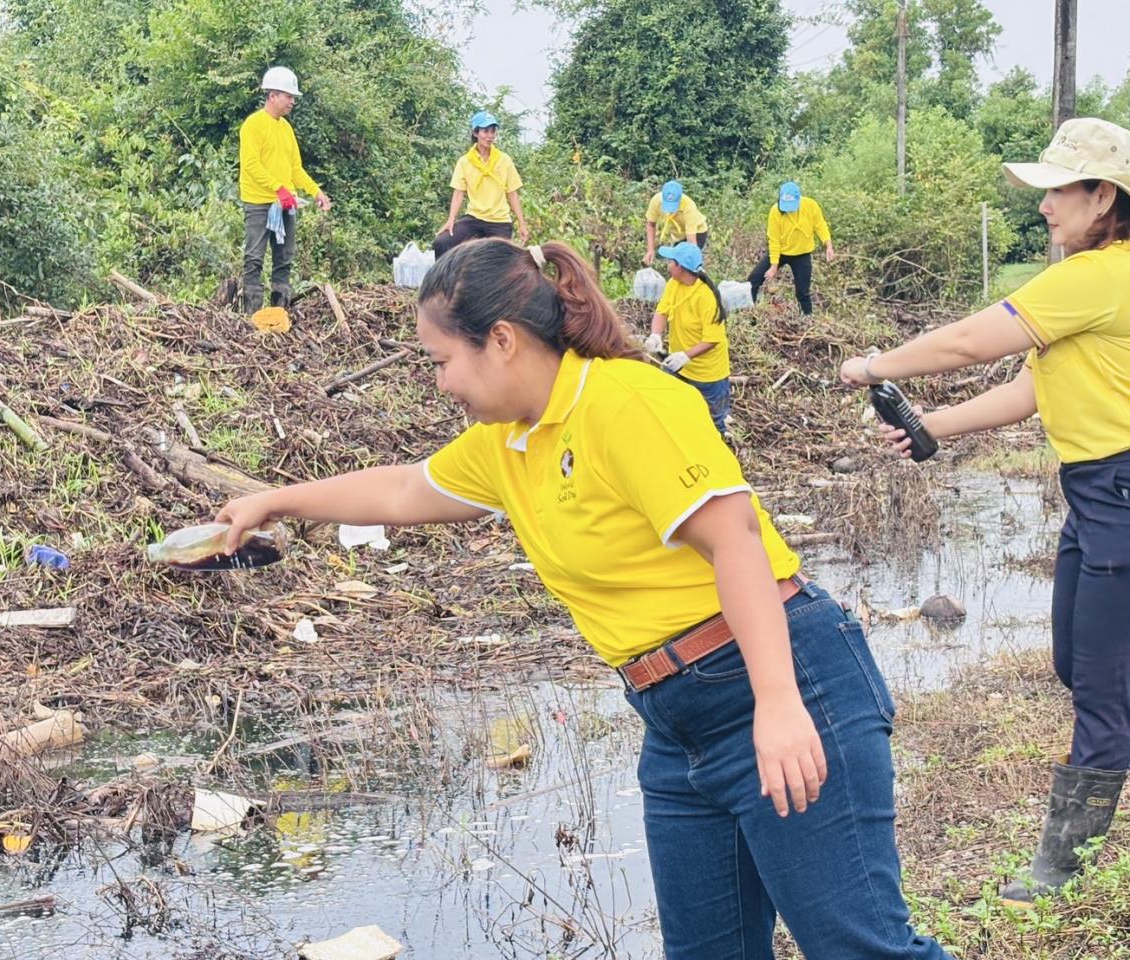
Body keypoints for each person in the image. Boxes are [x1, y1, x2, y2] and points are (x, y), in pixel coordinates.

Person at [217, 237, 951, 960]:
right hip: (675, 721)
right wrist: (275, 501)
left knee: (859, 949)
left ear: (500, 340)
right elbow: (405, 488)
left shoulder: (626, 403)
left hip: (780, 677)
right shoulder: (507, 441)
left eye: (442, 361)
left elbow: (736, 542)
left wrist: (780, 705)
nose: (440, 384)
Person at [840, 116, 1130, 907]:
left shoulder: (1096, 277)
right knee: (1078, 663)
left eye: (1057, 191)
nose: (1043, 207)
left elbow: (973, 341)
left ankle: (1061, 873)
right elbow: (1036, 389)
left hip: (1120, 492)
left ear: (1103, 197)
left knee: (1101, 687)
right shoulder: (1096, 283)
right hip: (1095, 494)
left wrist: (871, 364)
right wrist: (932, 427)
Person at [238, 66, 331, 314]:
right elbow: (251, 165)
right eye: (288, 96)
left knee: (284, 261)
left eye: (292, 97)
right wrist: (278, 189)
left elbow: (295, 169)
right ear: (273, 95)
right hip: (259, 203)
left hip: (286, 203)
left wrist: (315, 191)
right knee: (254, 259)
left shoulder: (286, 128)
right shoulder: (253, 125)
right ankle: (252, 315)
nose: (292, 101)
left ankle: (280, 312)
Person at [643, 241, 731, 438]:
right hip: (678, 365)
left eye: (670, 261)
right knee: (672, 407)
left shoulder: (706, 298)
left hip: (708, 373)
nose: (667, 265)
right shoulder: (674, 285)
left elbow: (712, 339)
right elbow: (662, 311)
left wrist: (686, 356)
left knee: (714, 421)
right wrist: (655, 334)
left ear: (679, 267)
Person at [434, 111, 529, 258]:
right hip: (474, 218)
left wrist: (522, 224)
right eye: (485, 131)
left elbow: (512, 193)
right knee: (442, 242)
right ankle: (443, 281)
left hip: (500, 222)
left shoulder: (504, 160)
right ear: (476, 133)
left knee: (497, 261)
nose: (490, 136)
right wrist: (451, 220)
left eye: (493, 131)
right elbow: (459, 193)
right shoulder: (465, 162)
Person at [749, 181, 835, 315]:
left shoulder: (810, 206)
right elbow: (774, 240)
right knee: (754, 279)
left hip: (802, 254)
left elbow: (820, 225)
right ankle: (750, 314)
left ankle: (807, 320)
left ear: (798, 199)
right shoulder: (775, 211)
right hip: (781, 252)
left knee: (803, 292)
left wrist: (828, 245)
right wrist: (774, 265)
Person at [643, 180, 709, 265]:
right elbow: (651, 224)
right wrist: (650, 250)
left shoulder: (689, 207)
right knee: (674, 263)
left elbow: (691, 244)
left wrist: (692, 262)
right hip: (679, 236)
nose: (670, 210)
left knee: (684, 263)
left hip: (697, 233)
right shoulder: (656, 201)